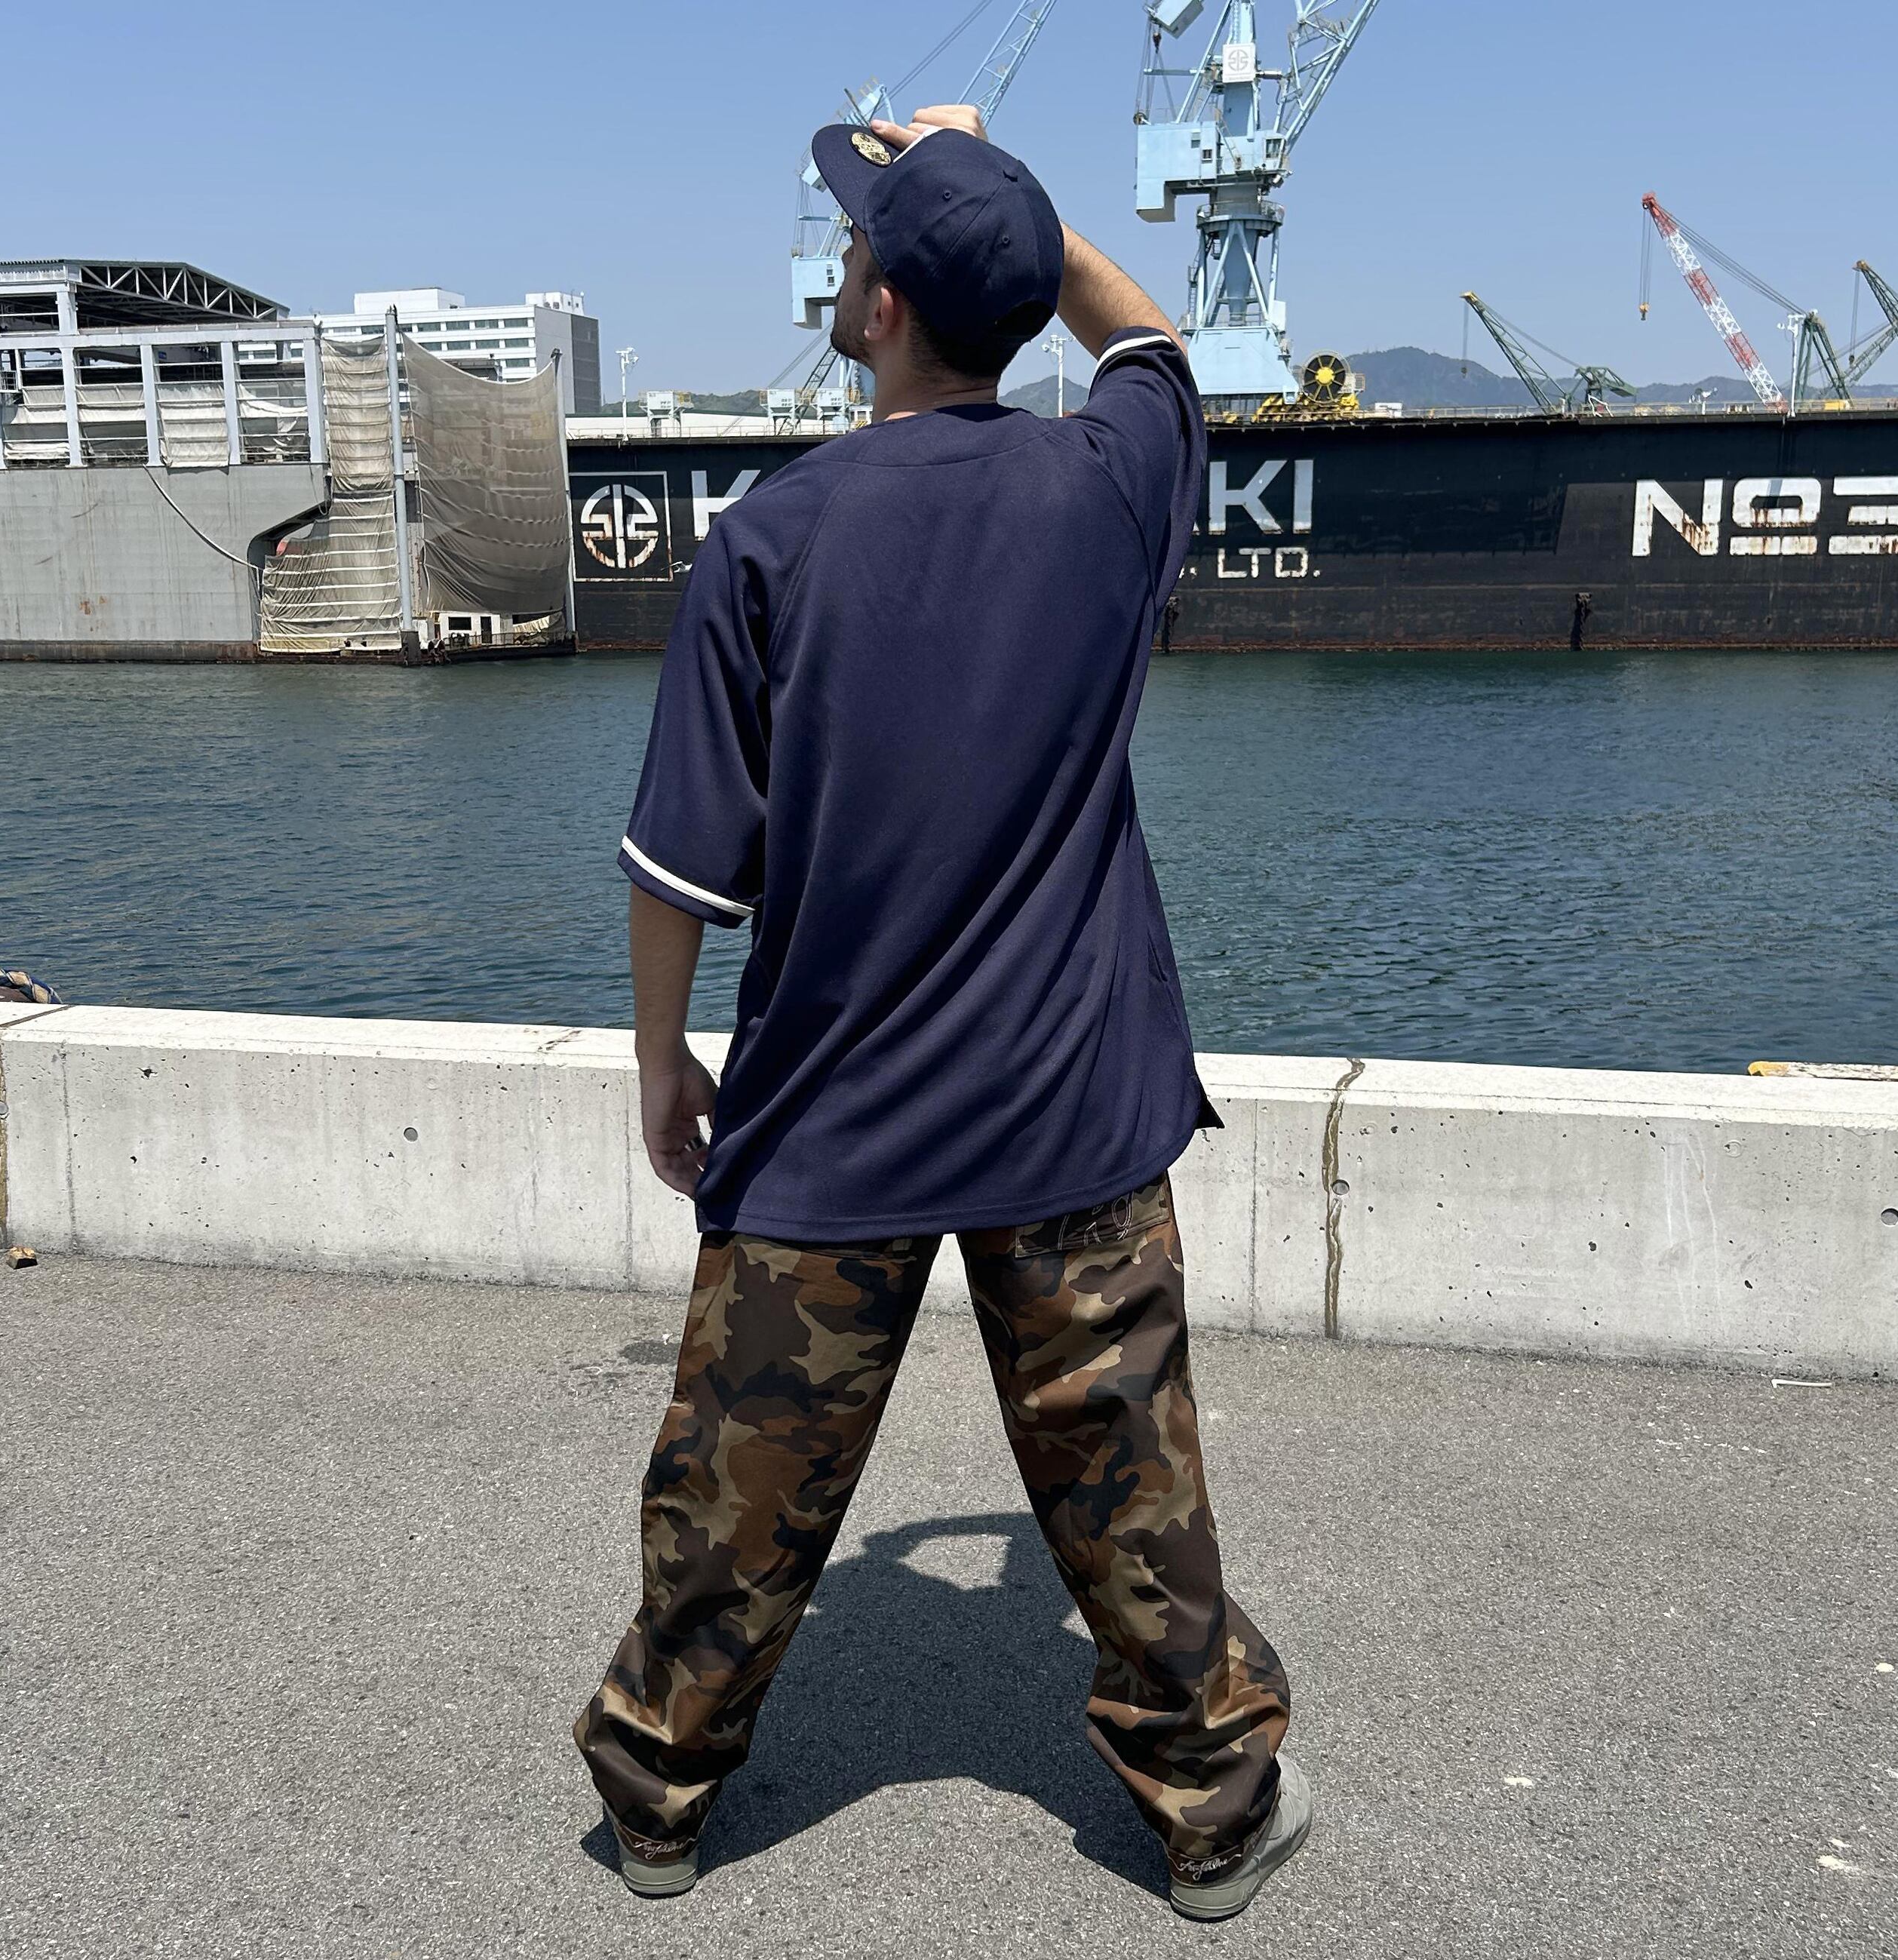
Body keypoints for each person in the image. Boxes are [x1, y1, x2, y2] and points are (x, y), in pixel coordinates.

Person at [573, 104, 1307, 1924]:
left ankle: (660, 1799)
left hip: (831, 1117)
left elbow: (679, 870)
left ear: (882, 306)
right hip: (1074, 1100)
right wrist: (1015, 206)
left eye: (859, 243)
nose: (843, 263)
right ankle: (1212, 1810)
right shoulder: (1111, 486)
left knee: (738, 1487)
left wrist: (664, 1064)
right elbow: (1151, 341)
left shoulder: (770, 541)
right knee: (1130, 1479)